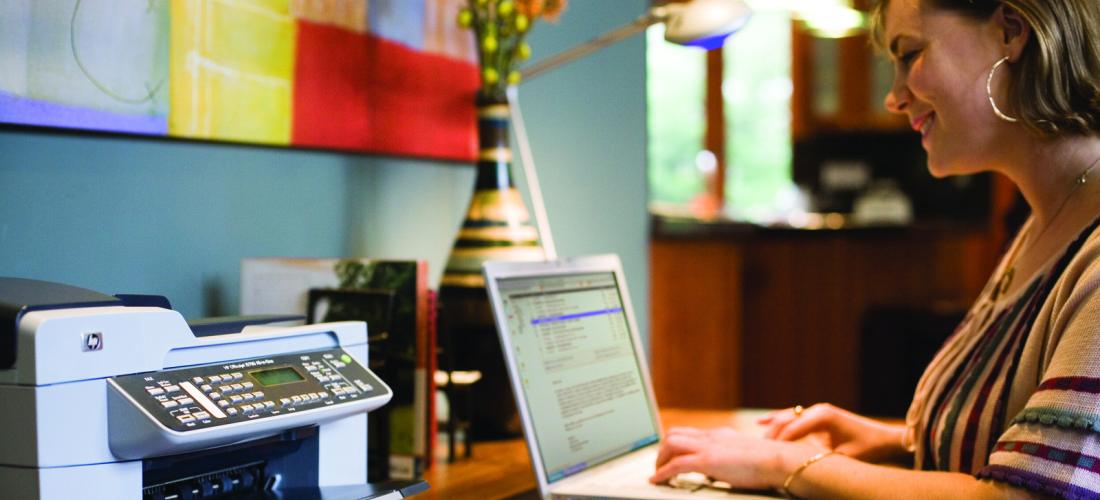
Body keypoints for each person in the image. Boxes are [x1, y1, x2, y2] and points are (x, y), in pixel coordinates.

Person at [649, 0, 1100, 497]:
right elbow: (1027, 448)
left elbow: (1030, 495)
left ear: (1011, 34)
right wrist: (895, 444)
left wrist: (789, 464)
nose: (894, 96)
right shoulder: (1045, 223)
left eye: (910, 55)